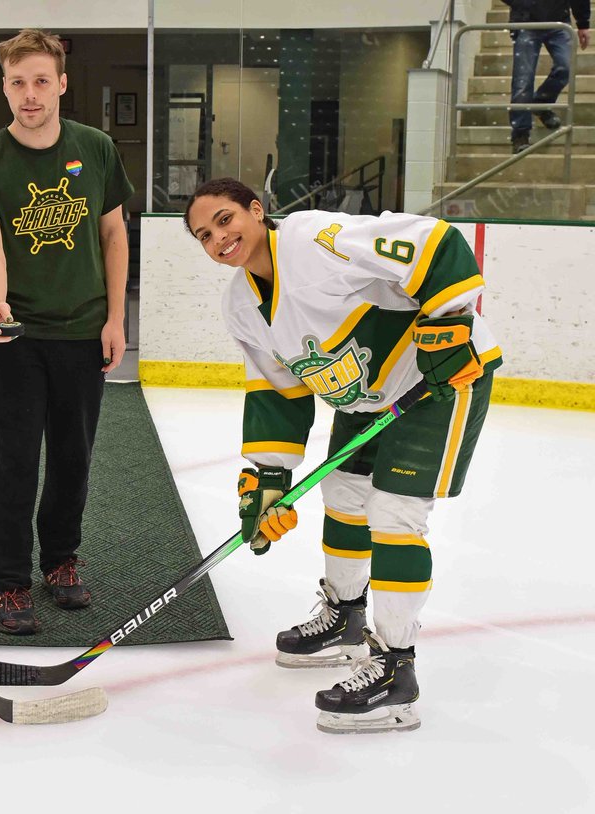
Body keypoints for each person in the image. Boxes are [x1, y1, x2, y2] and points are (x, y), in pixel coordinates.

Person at [184, 178, 502, 733]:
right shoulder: (240, 305)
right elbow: (277, 390)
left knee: (395, 514)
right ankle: (346, 619)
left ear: (256, 210)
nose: (219, 239)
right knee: (344, 496)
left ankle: (396, 669)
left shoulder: (315, 240)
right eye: (204, 236)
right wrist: (269, 477)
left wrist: (449, 325)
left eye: (225, 220)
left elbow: (433, 241)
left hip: (437, 381)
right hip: (366, 397)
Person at [0, 29, 133, 635]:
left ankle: (60, 560)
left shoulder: (96, 148)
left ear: (61, 83)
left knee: (71, 458)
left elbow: (113, 235)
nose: (29, 94)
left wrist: (115, 317)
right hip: (17, 336)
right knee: (11, 461)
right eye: (17, 83)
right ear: (3, 88)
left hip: (83, 331)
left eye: (39, 81)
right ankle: (9, 581)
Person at [503, 1, 590, 153]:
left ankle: (541, 103)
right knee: (523, 81)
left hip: (559, 21)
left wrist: (583, 23)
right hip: (526, 22)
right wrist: (525, 5)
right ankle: (520, 134)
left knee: (567, 67)